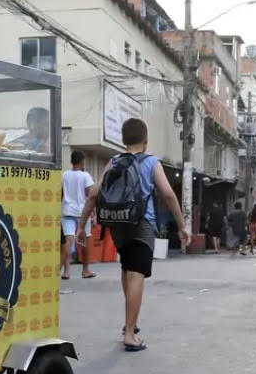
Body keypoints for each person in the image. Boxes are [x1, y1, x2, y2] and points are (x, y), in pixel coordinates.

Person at [78, 117, 189, 351]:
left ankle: (131, 323)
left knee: (127, 269)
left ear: (123, 140)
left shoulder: (115, 161)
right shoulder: (151, 162)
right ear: (146, 141)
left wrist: (81, 225)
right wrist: (181, 226)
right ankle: (129, 332)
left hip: (117, 224)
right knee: (137, 273)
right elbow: (168, 195)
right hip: (141, 224)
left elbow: (93, 195)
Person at [60, 150, 96, 280]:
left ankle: (66, 270)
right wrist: (93, 213)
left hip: (67, 211)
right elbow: (92, 195)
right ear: (82, 161)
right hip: (82, 213)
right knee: (84, 240)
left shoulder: (64, 175)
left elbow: (61, 194)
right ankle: (85, 270)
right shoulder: (85, 176)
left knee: (67, 241)